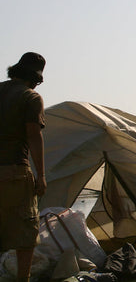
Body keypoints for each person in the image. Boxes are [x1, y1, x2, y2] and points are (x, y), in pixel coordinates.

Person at [0, 52, 47, 282]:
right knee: (25, 233)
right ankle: (22, 279)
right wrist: (41, 176)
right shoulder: (31, 98)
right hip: (14, 172)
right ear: (37, 78)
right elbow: (34, 137)